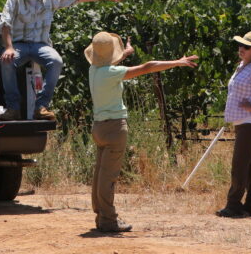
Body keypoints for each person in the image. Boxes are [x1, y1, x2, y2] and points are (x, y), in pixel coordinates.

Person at [85, 31, 198, 232]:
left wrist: (126, 53)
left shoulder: (94, 69)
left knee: (100, 174)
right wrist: (177, 62)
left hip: (98, 127)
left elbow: (109, 63)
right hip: (114, 128)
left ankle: (101, 216)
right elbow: (148, 67)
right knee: (108, 176)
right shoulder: (112, 73)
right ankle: (109, 220)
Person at [0, 0, 124, 121]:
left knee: (56, 61)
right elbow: (5, 23)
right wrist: (9, 48)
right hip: (19, 45)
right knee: (6, 60)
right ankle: (13, 108)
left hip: (40, 45)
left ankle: (41, 106)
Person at [216, 31, 251, 219]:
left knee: (239, 165)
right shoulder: (242, 66)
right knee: (249, 167)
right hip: (245, 122)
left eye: (246, 47)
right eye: (240, 45)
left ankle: (234, 205)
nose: (241, 49)